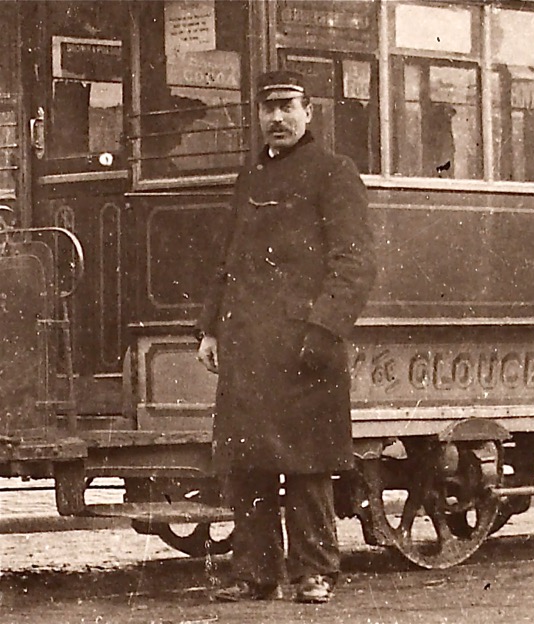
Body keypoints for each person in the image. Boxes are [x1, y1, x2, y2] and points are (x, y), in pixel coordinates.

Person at [195, 69, 376, 604]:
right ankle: (255, 572)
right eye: (268, 108)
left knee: (308, 465)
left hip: (304, 345)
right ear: (257, 115)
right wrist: (210, 329)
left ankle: (314, 572)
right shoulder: (249, 178)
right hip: (248, 344)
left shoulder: (333, 173)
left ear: (309, 112)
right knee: (248, 464)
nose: (277, 118)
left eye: (288, 107)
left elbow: (355, 263)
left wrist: (324, 329)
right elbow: (227, 261)